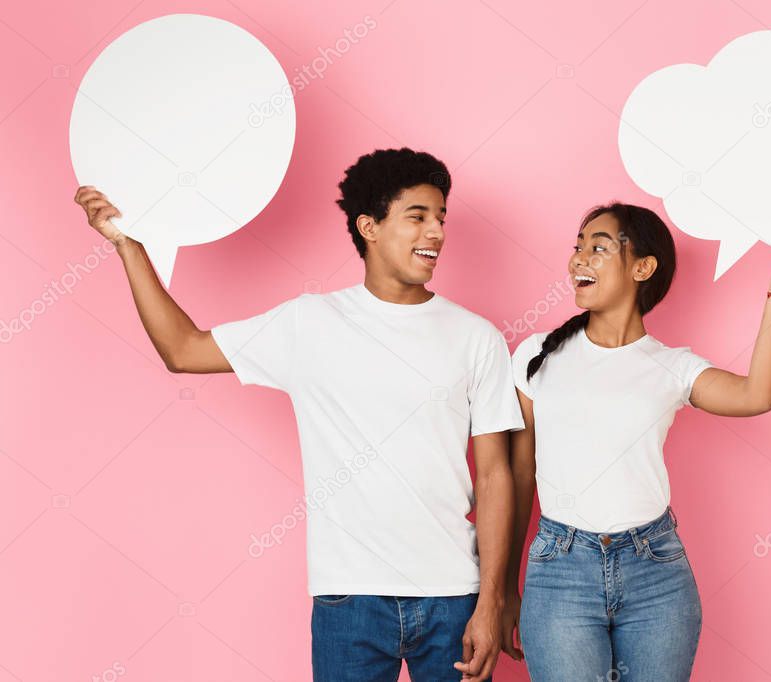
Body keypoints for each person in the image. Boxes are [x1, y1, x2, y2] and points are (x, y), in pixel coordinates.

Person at [73, 147, 523, 682]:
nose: (437, 233)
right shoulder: (310, 323)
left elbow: (496, 476)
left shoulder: (476, 338)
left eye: (441, 218)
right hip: (348, 600)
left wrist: (492, 602)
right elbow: (183, 349)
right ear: (369, 226)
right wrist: (129, 246)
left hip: (453, 596)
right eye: (418, 216)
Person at [499, 202, 771, 680]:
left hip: (655, 570)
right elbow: (519, 477)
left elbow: (756, 394)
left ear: (643, 267)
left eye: (598, 249)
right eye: (577, 249)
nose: (578, 260)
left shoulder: (672, 367)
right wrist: (503, 588)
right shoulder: (536, 355)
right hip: (560, 570)